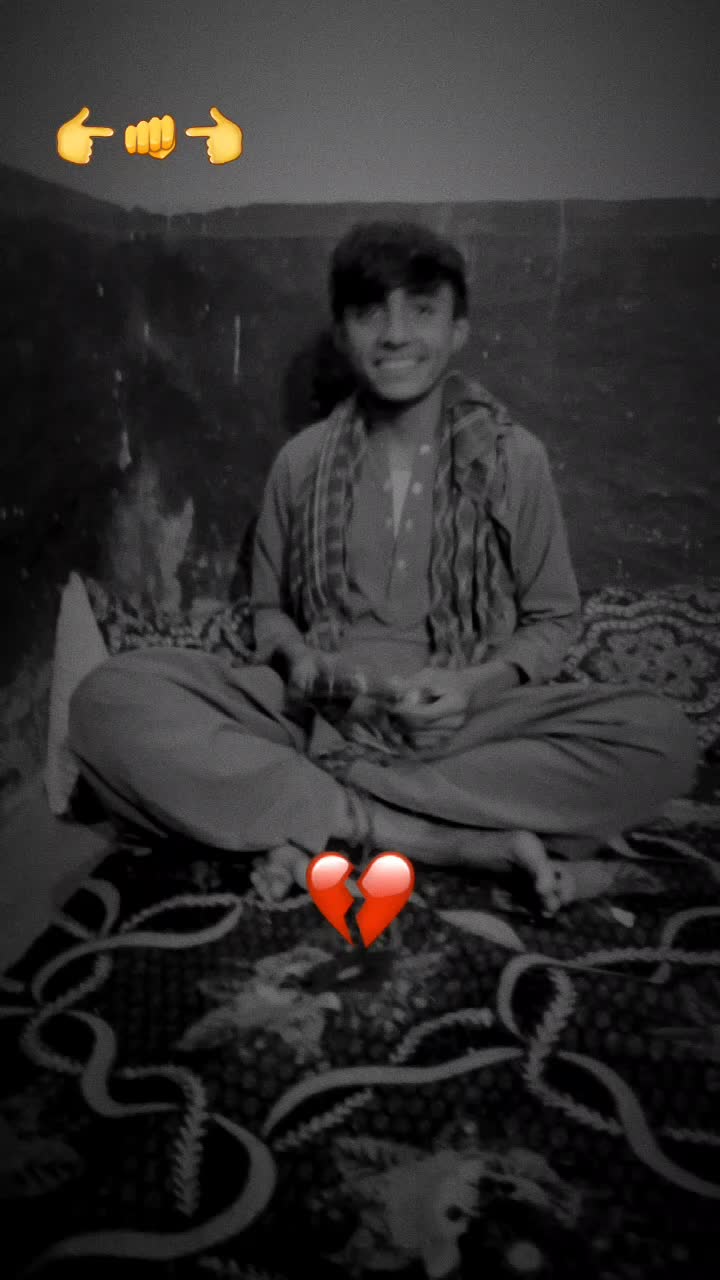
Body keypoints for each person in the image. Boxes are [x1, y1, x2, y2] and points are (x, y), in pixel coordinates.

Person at [68, 221, 697, 915]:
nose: (395, 335)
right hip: (315, 715)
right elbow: (270, 610)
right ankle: (425, 837)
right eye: (371, 312)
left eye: (421, 310)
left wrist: (471, 687)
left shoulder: (515, 459)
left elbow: (553, 619)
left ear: (458, 331)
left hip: (464, 726)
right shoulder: (302, 462)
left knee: (661, 739)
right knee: (109, 700)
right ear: (343, 334)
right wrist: (301, 660)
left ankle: (309, 810)